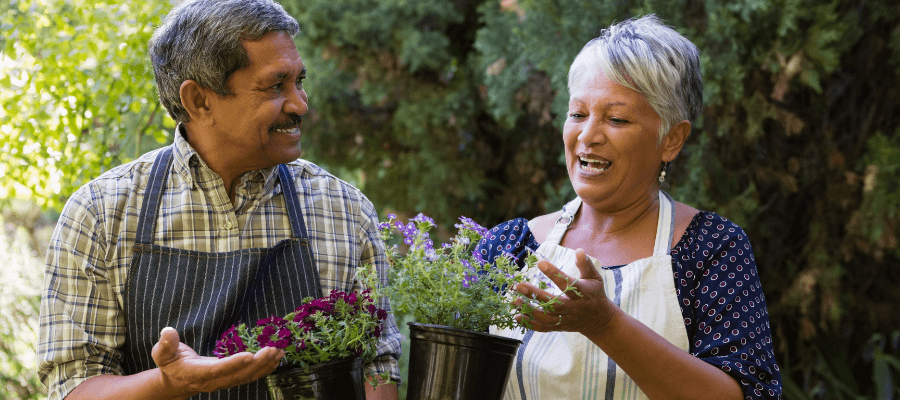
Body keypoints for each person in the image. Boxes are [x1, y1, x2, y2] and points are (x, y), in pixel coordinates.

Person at [36, 0, 401, 399]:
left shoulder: (343, 210)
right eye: (276, 86)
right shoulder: (101, 213)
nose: (300, 104)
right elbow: (73, 386)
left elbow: (376, 366)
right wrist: (166, 383)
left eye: (299, 81)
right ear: (199, 101)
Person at [477, 15, 782, 400]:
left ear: (671, 139)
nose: (587, 136)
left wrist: (605, 324)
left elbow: (746, 395)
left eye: (616, 118)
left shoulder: (711, 250)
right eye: (578, 114)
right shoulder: (509, 246)